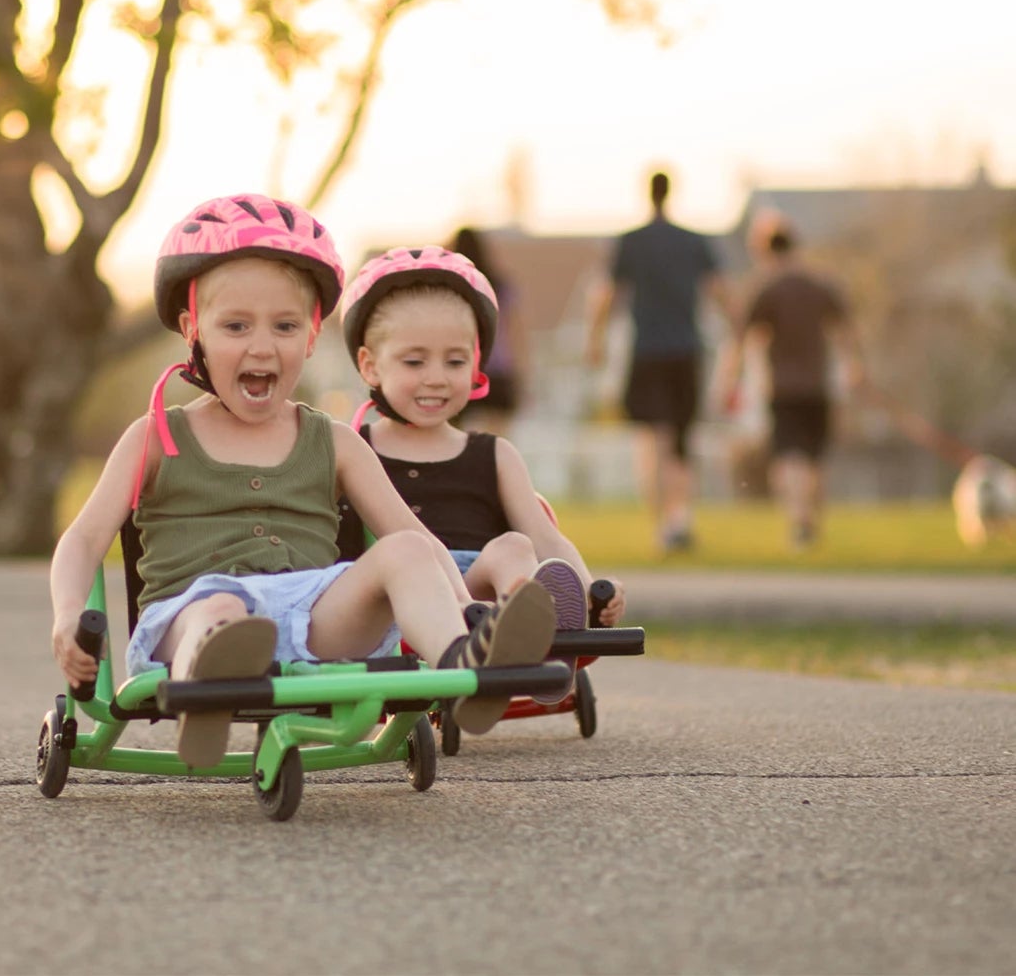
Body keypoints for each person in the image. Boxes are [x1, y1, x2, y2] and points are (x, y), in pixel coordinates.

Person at [49, 193, 558, 768]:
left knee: (408, 548)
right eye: (236, 325)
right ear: (194, 331)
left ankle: (466, 668)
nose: (262, 345)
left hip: (313, 618)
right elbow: (83, 539)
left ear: (312, 337)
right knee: (220, 608)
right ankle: (206, 698)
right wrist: (68, 615)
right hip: (191, 615)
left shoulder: (334, 441)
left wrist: (470, 611)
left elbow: (417, 541)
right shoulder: (156, 436)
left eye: (285, 326)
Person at [340, 245, 626, 705]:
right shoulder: (355, 449)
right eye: (415, 362)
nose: (437, 378)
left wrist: (592, 588)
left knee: (515, 546)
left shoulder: (494, 454)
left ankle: (534, 632)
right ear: (371, 365)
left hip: (480, 591)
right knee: (417, 559)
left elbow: (544, 536)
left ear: (476, 366)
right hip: (397, 597)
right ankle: (515, 640)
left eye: (454, 362)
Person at [585, 170, 733, 553]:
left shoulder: (631, 242)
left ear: (647, 194)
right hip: (687, 350)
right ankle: (680, 518)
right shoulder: (694, 242)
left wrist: (595, 340)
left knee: (651, 440)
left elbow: (609, 293)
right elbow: (720, 291)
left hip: (647, 351)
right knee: (682, 440)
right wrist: (738, 331)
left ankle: (662, 527)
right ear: (672, 193)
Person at [717, 220, 863, 548]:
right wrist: (854, 364)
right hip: (817, 385)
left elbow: (739, 338)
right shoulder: (820, 285)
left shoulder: (766, 288)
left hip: (782, 388)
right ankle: (812, 521)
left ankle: (800, 522)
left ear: (766, 252)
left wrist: (729, 380)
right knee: (813, 458)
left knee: (790, 458)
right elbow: (846, 327)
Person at [449, 226, 530, 434]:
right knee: (498, 441)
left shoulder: (451, 288)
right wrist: (521, 373)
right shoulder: (500, 285)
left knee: (454, 440)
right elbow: (515, 333)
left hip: (461, 368)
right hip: (498, 369)